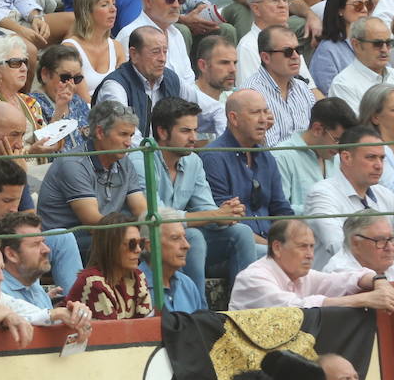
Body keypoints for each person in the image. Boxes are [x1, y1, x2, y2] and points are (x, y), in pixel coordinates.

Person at [148, 98, 258, 293]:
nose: (193, 138)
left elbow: (205, 207)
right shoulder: (143, 159)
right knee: (192, 236)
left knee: (242, 232)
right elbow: (156, 216)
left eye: (195, 130)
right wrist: (214, 215)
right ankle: (198, 314)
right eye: (185, 131)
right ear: (162, 132)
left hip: (183, 236)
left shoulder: (193, 161)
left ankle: (245, 311)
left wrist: (225, 214)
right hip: (151, 240)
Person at [303, 124, 394, 266]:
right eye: (371, 157)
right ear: (346, 157)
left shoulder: (381, 193)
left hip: (383, 278)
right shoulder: (321, 194)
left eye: (381, 158)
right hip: (340, 283)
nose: (379, 165)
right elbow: (339, 248)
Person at [38, 100, 146, 260]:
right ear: (101, 132)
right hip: (67, 241)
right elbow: (92, 223)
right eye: (123, 134)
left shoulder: (124, 161)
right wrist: (133, 235)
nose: (129, 143)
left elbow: (142, 210)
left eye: (130, 135)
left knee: (162, 238)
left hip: (108, 234)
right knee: (124, 244)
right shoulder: (73, 164)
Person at [228, 217, 394, 311]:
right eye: (302, 247)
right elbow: (295, 308)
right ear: (278, 248)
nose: (310, 255)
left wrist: (378, 280)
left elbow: (342, 280)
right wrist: (364, 299)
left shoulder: (301, 274)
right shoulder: (253, 277)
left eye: (311, 247)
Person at [201, 89, 294, 248]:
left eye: (265, 112)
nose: (264, 119)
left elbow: (281, 209)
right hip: (235, 246)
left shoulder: (266, 157)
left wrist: (289, 242)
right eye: (255, 113)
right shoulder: (213, 157)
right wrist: (272, 249)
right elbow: (226, 219)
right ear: (234, 118)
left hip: (270, 244)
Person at [63, 212, 152, 320]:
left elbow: (147, 326)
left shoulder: (138, 277)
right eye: (131, 244)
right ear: (111, 246)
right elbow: (112, 334)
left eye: (141, 244)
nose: (138, 250)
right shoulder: (92, 283)